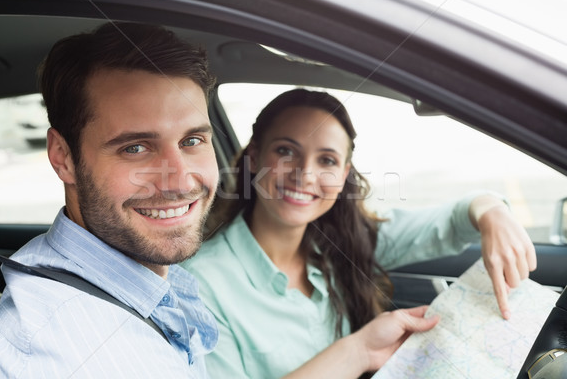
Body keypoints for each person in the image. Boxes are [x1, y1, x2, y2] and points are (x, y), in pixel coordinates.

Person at [182, 88, 537, 378]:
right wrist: (359, 350)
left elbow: (454, 219)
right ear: (254, 158)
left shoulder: (345, 241)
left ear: (344, 173)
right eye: (286, 151)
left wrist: (493, 212)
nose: (306, 175)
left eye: (327, 160)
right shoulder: (200, 285)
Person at [0, 22, 221, 377]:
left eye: (192, 141)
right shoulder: (73, 353)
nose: (179, 180)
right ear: (63, 157)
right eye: (135, 148)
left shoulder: (128, 283)